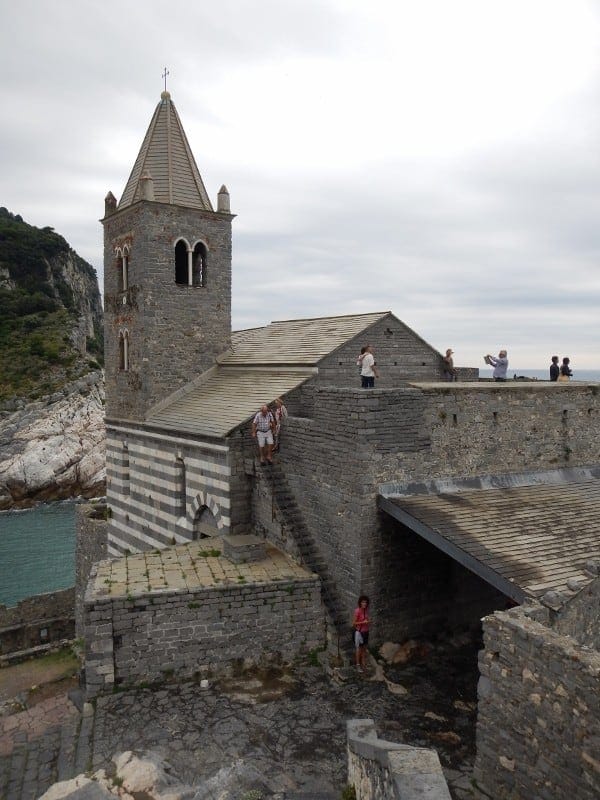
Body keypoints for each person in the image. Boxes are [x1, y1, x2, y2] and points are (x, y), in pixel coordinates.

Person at [352, 595, 370, 673]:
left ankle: (363, 664)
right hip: (359, 632)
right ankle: (358, 665)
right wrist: (363, 622)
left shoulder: (366, 610)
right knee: (358, 649)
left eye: (365, 602)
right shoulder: (357, 611)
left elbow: (367, 619)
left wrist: (369, 621)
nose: (364, 603)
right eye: (363, 602)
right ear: (360, 603)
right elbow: (353, 623)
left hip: (366, 631)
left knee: (364, 649)